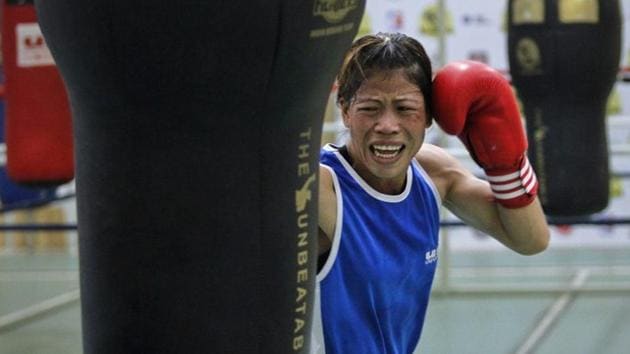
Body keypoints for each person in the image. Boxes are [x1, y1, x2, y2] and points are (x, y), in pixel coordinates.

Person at [311, 32, 550, 353]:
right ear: (345, 111)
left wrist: (506, 162)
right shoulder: (321, 187)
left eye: (405, 108)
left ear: (427, 116)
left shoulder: (432, 173)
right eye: (370, 108)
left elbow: (531, 240)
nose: (387, 125)